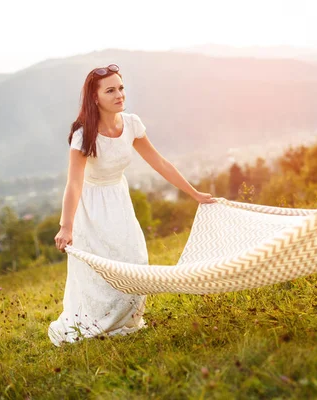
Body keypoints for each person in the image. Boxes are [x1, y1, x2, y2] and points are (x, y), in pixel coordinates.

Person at [48, 64, 214, 346]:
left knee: (135, 258)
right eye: (110, 90)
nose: (119, 94)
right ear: (95, 97)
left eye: (121, 88)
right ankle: (95, 323)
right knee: (99, 269)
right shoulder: (83, 135)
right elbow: (74, 184)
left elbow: (160, 163)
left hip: (119, 200)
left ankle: (127, 320)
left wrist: (195, 193)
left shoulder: (132, 124)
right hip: (91, 206)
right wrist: (67, 226)